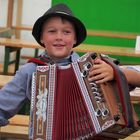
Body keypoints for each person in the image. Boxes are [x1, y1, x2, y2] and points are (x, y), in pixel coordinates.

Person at [0, 3, 139, 140]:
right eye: (52, 31)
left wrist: (115, 72)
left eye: (66, 32)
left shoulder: (93, 67)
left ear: (75, 39)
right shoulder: (31, 71)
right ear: (42, 38)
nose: (59, 37)